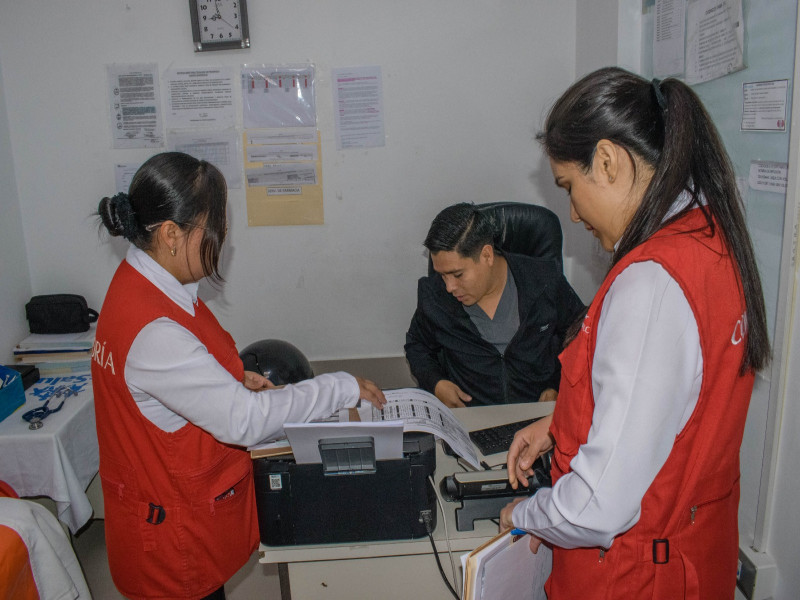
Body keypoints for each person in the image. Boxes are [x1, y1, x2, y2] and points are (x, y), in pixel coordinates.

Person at [500, 67, 771, 599]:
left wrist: (527, 514)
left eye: (569, 189)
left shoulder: (651, 282)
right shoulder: (710, 237)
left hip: (634, 577)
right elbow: (675, 401)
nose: (573, 215)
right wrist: (563, 420)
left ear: (608, 160)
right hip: (696, 560)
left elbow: (598, 504)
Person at [92, 152, 386, 600]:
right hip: (171, 543)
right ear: (171, 234)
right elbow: (242, 422)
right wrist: (337, 387)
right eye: (213, 231)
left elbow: (173, 378)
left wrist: (231, 376)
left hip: (162, 516)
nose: (222, 242)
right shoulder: (154, 332)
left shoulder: (139, 282)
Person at [404, 203, 585, 407]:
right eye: (442, 275)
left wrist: (559, 386)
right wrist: (436, 383)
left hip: (536, 417)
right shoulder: (435, 297)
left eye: (457, 274)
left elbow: (580, 336)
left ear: (487, 255)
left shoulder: (544, 280)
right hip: (474, 419)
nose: (449, 287)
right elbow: (416, 345)